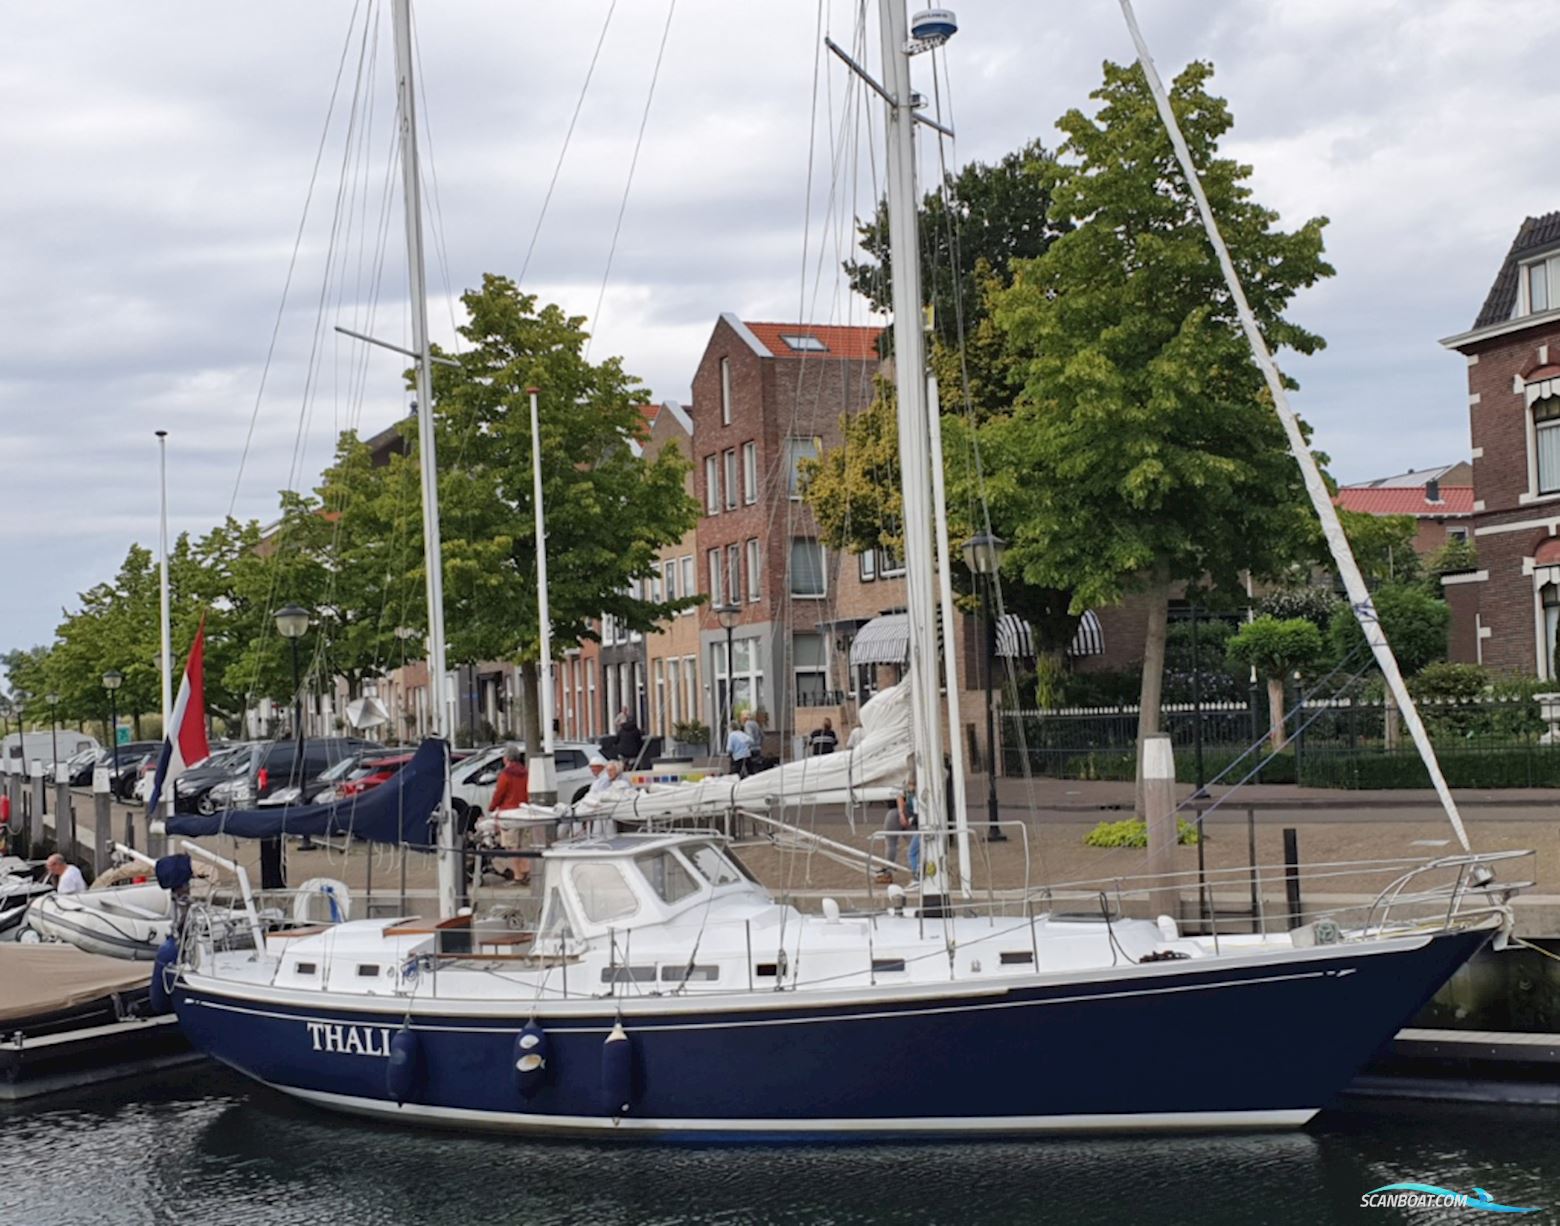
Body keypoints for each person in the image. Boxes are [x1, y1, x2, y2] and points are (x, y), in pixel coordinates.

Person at [489, 745, 530, 886]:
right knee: (521, 844)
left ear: (506, 758)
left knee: (512, 846)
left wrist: (492, 807)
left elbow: (499, 793)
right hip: (523, 812)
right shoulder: (525, 772)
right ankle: (525, 869)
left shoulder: (506, 774)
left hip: (508, 813)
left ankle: (519, 875)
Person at [874, 774, 919, 885]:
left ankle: (915, 874)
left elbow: (900, 795)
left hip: (907, 816)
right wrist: (901, 813)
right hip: (904, 815)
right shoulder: (910, 783)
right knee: (895, 844)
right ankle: (890, 873)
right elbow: (900, 796)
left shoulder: (907, 781)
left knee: (912, 846)